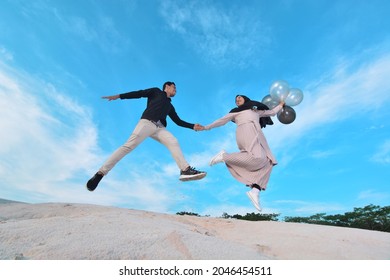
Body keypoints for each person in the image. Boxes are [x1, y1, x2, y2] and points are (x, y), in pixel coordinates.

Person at [86, 81, 206, 191]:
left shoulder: (170, 106)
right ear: (167, 86)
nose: (176, 90)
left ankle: (185, 170)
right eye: (174, 88)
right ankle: (100, 173)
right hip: (147, 122)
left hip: (159, 128)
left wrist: (192, 126)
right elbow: (139, 93)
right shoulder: (156, 92)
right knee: (128, 146)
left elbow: (178, 121)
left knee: (173, 141)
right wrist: (119, 96)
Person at [199, 95, 284, 211]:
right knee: (258, 157)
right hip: (245, 132)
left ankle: (255, 190)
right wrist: (206, 127)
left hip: (256, 135)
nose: (237, 100)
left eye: (239, 98)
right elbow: (221, 121)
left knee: (268, 161)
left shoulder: (255, 110)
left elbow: (272, 112)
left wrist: (281, 105)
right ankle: (224, 156)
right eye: (236, 99)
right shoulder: (236, 112)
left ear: (246, 99)